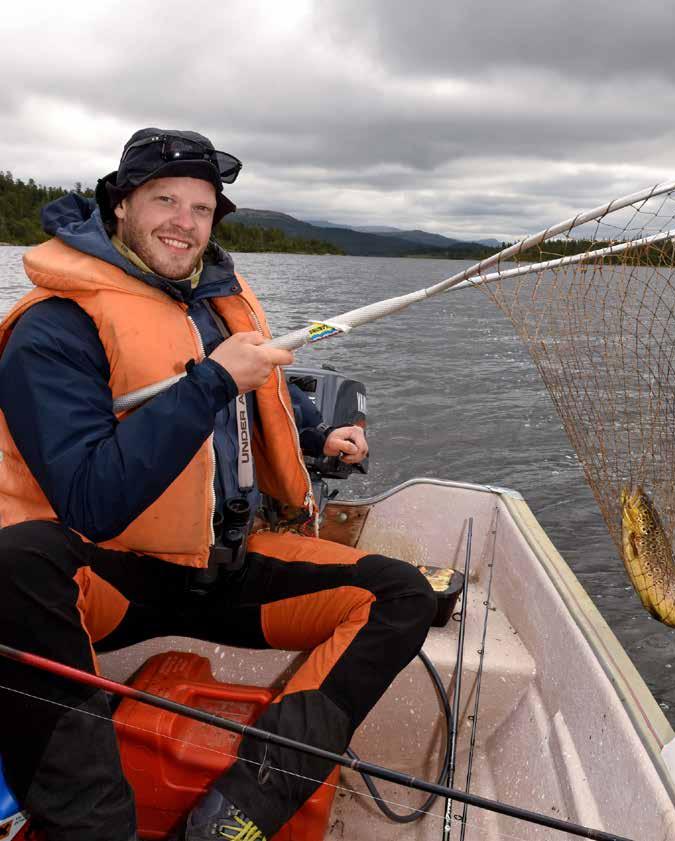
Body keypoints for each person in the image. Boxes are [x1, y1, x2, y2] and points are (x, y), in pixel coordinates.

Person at [0, 128, 436, 841]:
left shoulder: (209, 307)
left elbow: (248, 398)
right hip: (108, 579)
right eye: (163, 200)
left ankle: (234, 815)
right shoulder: (53, 330)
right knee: (14, 563)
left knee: (400, 594)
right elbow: (91, 500)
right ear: (119, 209)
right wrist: (208, 381)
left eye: (201, 208)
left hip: (215, 567)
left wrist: (310, 432)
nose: (184, 220)